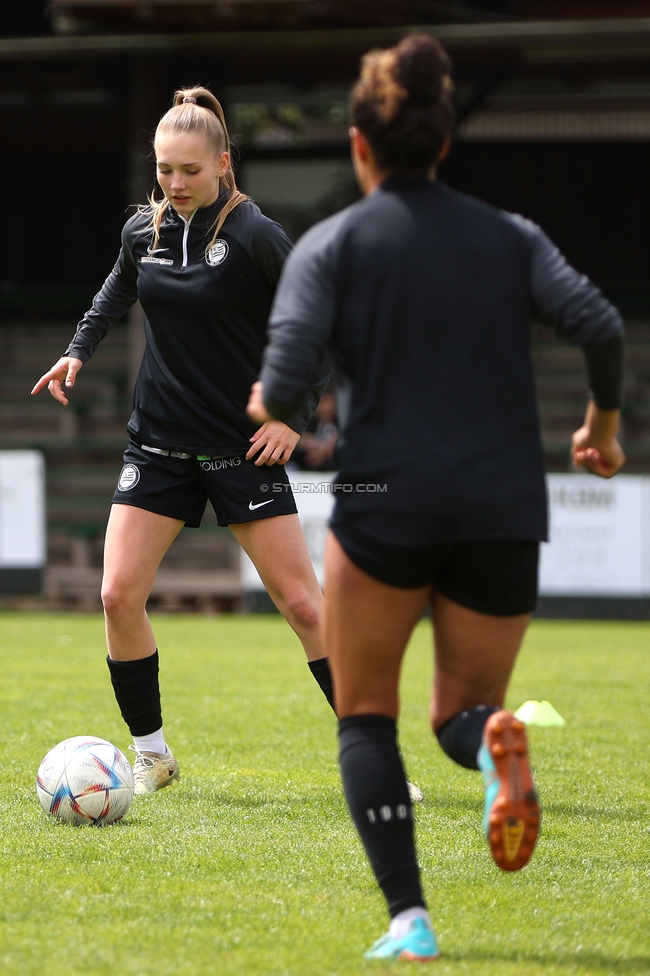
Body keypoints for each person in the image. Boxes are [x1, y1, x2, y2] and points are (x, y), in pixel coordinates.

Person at [248, 35, 625, 961]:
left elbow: (285, 390)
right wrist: (604, 429)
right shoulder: (511, 236)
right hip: (502, 503)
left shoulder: (331, 246)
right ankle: (492, 745)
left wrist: (267, 403)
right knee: (462, 709)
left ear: (358, 145)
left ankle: (409, 922)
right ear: (443, 143)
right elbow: (600, 324)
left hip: (386, 495)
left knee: (366, 714)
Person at [31, 86, 338, 796]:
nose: (174, 182)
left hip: (241, 449)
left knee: (304, 608)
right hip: (159, 446)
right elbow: (117, 287)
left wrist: (293, 415)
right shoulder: (145, 229)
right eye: (165, 168)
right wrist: (79, 348)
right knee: (116, 596)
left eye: (190, 170)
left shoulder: (257, 235)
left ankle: (373, 754)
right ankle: (153, 755)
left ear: (224, 163)